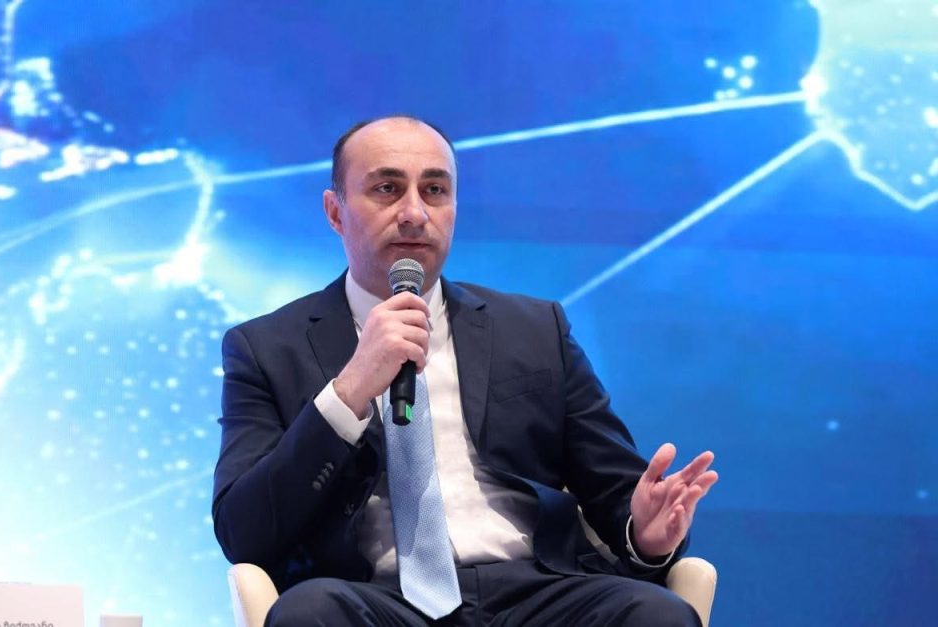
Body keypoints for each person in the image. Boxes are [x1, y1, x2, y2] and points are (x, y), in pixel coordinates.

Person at [212, 115, 718, 626]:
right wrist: (349, 391)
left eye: (435, 190)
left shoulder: (535, 328)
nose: (414, 213)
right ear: (335, 212)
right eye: (387, 189)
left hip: (535, 593)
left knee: (657, 613)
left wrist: (646, 534)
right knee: (308, 613)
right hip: (377, 599)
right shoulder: (265, 348)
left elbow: (616, 494)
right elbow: (244, 532)